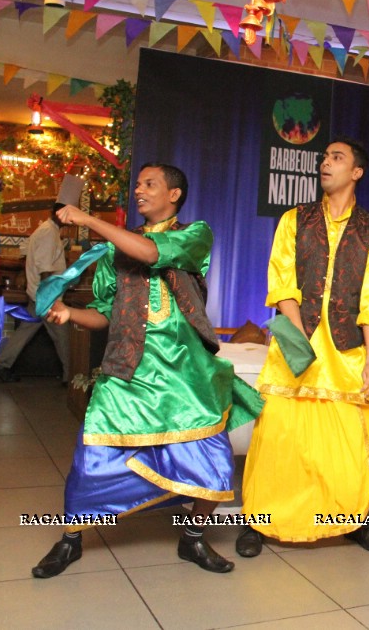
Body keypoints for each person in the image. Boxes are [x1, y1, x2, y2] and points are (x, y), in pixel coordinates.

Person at [30, 163, 263, 578]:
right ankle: (70, 540)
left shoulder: (195, 234)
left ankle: (192, 539)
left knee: (212, 460)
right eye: (137, 184)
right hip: (127, 367)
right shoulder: (116, 249)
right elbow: (105, 313)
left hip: (185, 374)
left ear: (174, 194)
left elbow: (154, 254)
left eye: (149, 184)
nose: (139, 190)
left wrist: (87, 219)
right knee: (93, 457)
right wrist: (70, 312)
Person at [236, 137, 369, 557]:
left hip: (345, 352)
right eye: (324, 157)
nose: (325, 163)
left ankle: (351, 518)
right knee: (279, 437)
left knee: (352, 441)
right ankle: (259, 520)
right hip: (295, 343)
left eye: (336, 158)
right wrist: (297, 333)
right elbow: (282, 280)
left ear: (356, 172)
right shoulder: (294, 220)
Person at [0, 198, 74, 383]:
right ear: (60, 215)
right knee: (63, 336)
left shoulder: (48, 231)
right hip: (46, 297)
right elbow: (45, 270)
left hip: (40, 295)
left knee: (25, 331)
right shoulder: (48, 234)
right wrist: (50, 299)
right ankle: (71, 377)